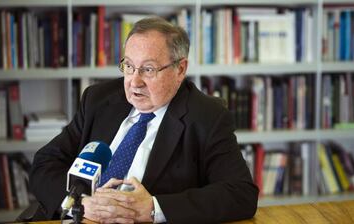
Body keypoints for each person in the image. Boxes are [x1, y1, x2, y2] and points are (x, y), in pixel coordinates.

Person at [29, 17, 258, 223]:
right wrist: (80, 204)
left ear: (180, 69)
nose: (134, 82)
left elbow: (240, 193)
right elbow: (44, 164)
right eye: (129, 66)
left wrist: (153, 208)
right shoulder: (98, 100)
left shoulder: (207, 116)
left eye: (148, 69)